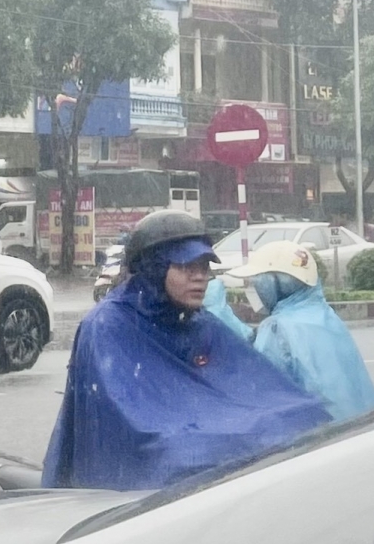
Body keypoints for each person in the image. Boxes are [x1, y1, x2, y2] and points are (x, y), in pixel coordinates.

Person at [43, 210, 330, 491]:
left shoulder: (199, 322)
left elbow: (253, 385)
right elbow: (132, 426)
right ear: (155, 267)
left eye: (204, 267)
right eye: (186, 266)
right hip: (131, 492)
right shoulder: (107, 326)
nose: (200, 277)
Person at [226, 240, 374, 422]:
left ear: (275, 284)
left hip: (321, 438)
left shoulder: (277, 328)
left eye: (258, 281)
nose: (255, 289)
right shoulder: (326, 316)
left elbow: (264, 392)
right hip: (364, 427)